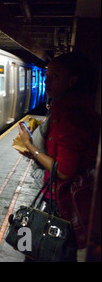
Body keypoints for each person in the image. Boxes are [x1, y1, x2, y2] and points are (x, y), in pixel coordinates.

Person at [17, 51, 100, 260]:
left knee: (44, 252)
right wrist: (36, 153)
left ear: (72, 80)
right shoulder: (68, 109)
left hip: (63, 203)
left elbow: (63, 171)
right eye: (47, 76)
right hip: (61, 199)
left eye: (55, 76)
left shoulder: (71, 116)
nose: (47, 82)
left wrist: (31, 146)